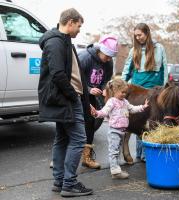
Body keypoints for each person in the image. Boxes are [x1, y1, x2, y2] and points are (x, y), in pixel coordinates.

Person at [38, 8, 93, 197]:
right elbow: (58, 74)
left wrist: (85, 99)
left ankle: (60, 181)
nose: (79, 30)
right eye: (78, 25)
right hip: (66, 99)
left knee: (62, 138)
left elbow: (73, 74)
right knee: (78, 140)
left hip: (70, 98)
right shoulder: (55, 42)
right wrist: (72, 95)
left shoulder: (64, 41)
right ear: (70, 22)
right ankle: (69, 183)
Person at [121, 23, 168, 162]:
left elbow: (164, 69)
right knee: (138, 119)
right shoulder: (133, 51)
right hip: (138, 90)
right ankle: (140, 155)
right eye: (135, 36)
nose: (138, 38)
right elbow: (126, 71)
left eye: (140, 35)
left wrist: (165, 88)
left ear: (147, 33)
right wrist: (120, 88)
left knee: (153, 121)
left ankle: (149, 153)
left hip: (154, 90)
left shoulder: (159, 48)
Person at [90, 79, 149, 179]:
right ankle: (115, 171)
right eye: (122, 92)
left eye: (125, 92)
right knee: (114, 151)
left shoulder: (125, 102)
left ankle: (116, 168)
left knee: (117, 150)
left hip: (122, 131)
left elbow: (133, 109)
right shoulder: (111, 102)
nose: (124, 94)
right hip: (114, 131)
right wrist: (97, 113)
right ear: (115, 91)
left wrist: (143, 107)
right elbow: (104, 112)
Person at [78, 35, 118, 169]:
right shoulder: (85, 58)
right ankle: (59, 158)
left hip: (92, 97)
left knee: (90, 123)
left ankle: (86, 158)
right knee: (71, 124)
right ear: (100, 51)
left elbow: (106, 78)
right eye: (107, 56)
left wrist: (104, 88)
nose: (108, 59)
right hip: (77, 94)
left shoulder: (108, 62)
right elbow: (74, 78)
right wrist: (89, 89)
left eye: (110, 57)